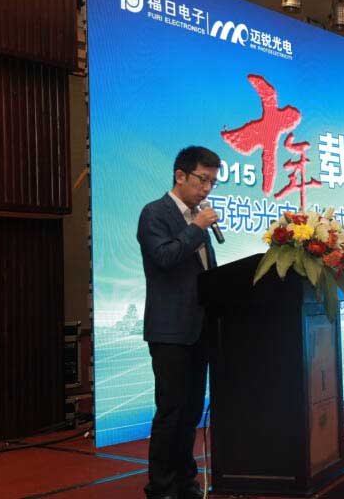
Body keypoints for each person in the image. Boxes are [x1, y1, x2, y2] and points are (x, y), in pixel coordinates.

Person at [137, 146, 221, 499]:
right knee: (171, 411)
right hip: (170, 330)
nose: (207, 189)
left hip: (199, 329)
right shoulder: (155, 213)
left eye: (213, 182)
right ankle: (161, 487)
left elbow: (206, 274)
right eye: (203, 179)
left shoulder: (197, 220)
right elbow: (164, 257)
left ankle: (186, 481)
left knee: (190, 412)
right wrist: (196, 228)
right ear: (180, 175)